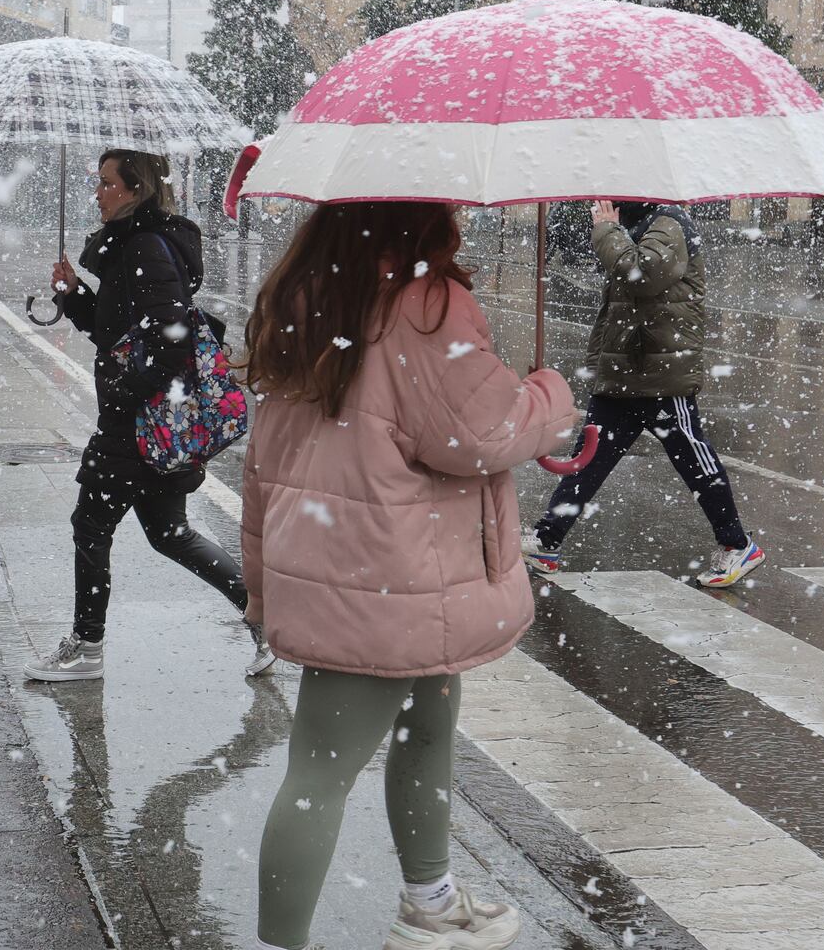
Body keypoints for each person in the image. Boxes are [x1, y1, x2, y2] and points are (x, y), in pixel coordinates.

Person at [240, 201, 579, 950]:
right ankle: (280, 942)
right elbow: (481, 433)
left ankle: (430, 901)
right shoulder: (425, 305)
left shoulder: (307, 291)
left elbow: (265, 457)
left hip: (359, 566)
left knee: (427, 730)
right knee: (320, 774)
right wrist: (550, 398)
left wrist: (260, 579)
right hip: (385, 574)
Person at [23, 149, 270, 682]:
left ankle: (87, 648)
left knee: (90, 527)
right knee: (169, 532)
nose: (98, 192)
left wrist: (123, 390)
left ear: (135, 189)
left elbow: (171, 343)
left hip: (137, 425)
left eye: (107, 183)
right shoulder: (132, 247)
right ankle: (265, 621)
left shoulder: (147, 249)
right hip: (146, 422)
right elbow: (119, 333)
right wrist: (75, 297)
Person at [520, 200, 765, 588]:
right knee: (589, 457)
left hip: (659, 371)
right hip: (626, 369)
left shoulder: (670, 223)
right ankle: (548, 541)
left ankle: (737, 544)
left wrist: (605, 229)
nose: (601, 198)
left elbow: (642, 273)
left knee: (694, 459)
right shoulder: (636, 222)